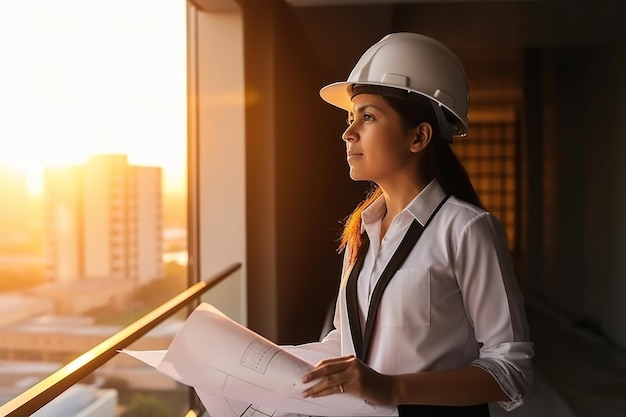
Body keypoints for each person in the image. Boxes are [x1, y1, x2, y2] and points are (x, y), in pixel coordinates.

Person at [298, 33, 534, 416]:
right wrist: (252, 363)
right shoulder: (361, 231)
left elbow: (510, 371)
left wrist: (390, 388)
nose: (348, 133)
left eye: (368, 116)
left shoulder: (466, 229)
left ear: (419, 136)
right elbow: (345, 342)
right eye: (350, 117)